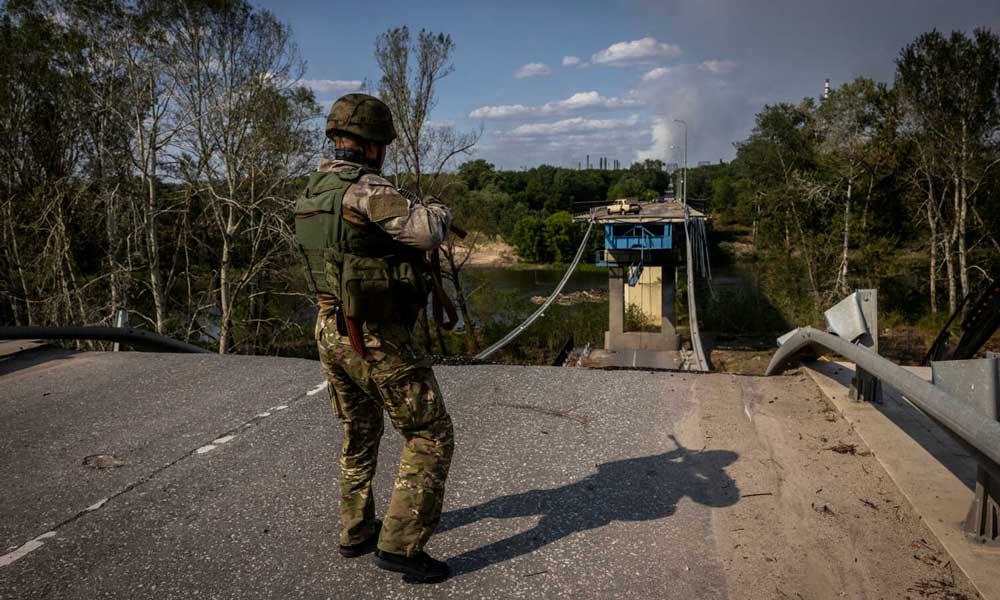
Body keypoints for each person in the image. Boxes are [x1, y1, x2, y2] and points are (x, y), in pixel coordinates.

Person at [294, 93, 455, 583]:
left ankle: (356, 529)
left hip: (328, 329)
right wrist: (435, 208)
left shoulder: (311, 190)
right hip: (372, 337)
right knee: (430, 432)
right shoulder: (366, 189)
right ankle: (402, 549)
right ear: (372, 146)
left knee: (359, 431)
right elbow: (427, 233)